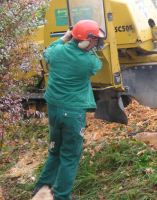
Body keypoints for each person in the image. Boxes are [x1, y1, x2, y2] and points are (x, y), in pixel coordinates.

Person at [32, 20, 104, 200]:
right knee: (70, 156)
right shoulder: (89, 62)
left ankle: (41, 187)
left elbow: (47, 51)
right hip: (73, 113)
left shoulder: (56, 51)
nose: (95, 43)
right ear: (85, 42)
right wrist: (90, 47)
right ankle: (62, 196)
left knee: (55, 150)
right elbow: (98, 64)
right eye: (94, 40)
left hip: (54, 110)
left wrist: (64, 37)